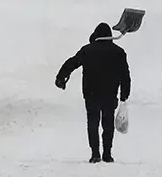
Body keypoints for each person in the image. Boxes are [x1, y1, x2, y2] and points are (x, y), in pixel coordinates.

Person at [55, 22, 131, 163]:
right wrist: (124, 95)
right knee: (108, 123)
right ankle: (107, 153)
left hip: (91, 93)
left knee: (93, 122)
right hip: (110, 94)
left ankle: (95, 153)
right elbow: (125, 76)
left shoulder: (87, 50)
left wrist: (61, 77)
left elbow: (72, 63)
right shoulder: (118, 52)